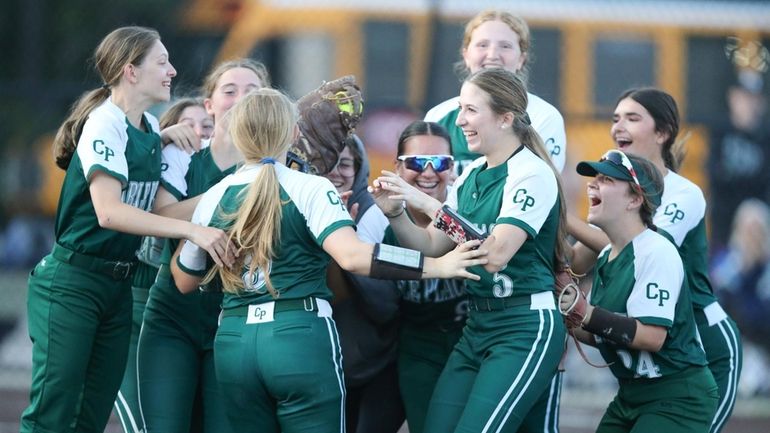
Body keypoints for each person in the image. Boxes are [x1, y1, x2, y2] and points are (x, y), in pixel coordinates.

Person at [170, 88, 487, 433]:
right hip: (297, 334)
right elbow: (353, 257)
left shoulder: (215, 195)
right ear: (293, 134)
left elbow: (184, 280)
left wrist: (200, 235)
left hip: (233, 340)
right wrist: (437, 266)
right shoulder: (310, 187)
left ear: (237, 135)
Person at [22, 26, 232, 433]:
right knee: (53, 410)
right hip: (71, 282)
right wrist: (193, 232)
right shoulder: (105, 124)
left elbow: (162, 206)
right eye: (161, 61)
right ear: (129, 71)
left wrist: (229, 191)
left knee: (92, 414)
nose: (172, 70)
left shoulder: (149, 130)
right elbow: (110, 213)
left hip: (116, 287)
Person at [375, 68, 566, 433]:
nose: (460, 120)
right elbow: (430, 245)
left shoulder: (532, 172)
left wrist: (429, 204)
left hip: (523, 325)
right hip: (479, 324)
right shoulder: (473, 172)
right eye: (461, 109)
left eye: (471, 110)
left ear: (505, 118)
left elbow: (495, 256)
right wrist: (397, 212)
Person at [136, 58, 269, 433]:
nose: (241, 99)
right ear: (209, 104)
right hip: (172, 318)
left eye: (252, 92)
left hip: (235, 322)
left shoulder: (277, 169)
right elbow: (164, 215)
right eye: (229, 91)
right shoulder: (185, 153)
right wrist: (225, 192)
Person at [561, 150, 719, 433]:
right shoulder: (608, 254)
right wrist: (566, 315)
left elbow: (651, 336)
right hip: (631, 395)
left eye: (606, 179)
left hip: (677, 395)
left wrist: (587, 314)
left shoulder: (656, 251)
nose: (592, 184)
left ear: (635, 199)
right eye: (595, 178)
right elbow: (606, 335)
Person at [113, 97, 214, 433]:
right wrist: (162, 139)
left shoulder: (215, 173)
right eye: (187, 126)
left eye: (206, 127)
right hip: (136, 315)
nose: (196, 134)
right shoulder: (147, 177)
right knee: (143, 426)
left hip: (195, 319)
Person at [380, 121, 467, 433]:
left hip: (470, 343)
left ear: (453, 168)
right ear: (398, 168)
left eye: (440, 163)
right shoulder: (377, 219)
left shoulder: (468, 207)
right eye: (416, 162)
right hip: (416, 348)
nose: (429, 173)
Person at [424, 9, 566, 176]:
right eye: (482, 45)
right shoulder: (438, 116)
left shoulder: (544, 116)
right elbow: (424, 179)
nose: (492, 55)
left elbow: (541, 182)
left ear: (521, 59)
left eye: (505, 46)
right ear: (466, 55)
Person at [707, 69, 770, 254]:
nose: (749, 104)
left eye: (754, 99)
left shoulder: (766, 136)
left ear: (763, 103)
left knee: (753, 214)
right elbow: (714, 175)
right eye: (743, 97)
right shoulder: (720, 131)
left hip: (758, 217)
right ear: (732, 98)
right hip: (725, 220)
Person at [711, 198, 770, 353]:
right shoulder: (724, 263)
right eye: (749, 231)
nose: (753, 238)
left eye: (758, 231)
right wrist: (742, 269)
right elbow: (717, 303)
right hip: (731, 342)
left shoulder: (766, 269)